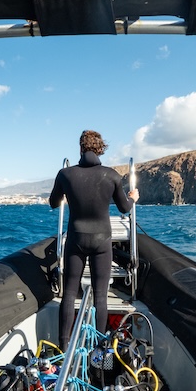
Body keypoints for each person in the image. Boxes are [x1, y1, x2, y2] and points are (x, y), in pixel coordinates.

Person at [49, 130, 139, 350]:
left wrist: (65, 193)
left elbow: (53, 203)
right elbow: (124, 208)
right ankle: (101, 347)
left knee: (69, 293)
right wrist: (132, 198)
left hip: (76, 240)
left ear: (80, 148)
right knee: (100, 295)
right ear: (101, 149)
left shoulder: (65, 174)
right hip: (102, 241)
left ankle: (64, 346)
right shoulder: (112, 175)